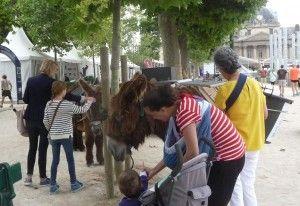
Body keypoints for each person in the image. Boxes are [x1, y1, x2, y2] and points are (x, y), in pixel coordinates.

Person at [143, 85, 245, 206]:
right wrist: (153, 172)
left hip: (228, 159)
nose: (154, 118)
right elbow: (175, 152)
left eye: (153, 115)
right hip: (217, 155)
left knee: (212, 202)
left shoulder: (185, 113)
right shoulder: (180, 106)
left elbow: (192, 152)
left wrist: (172, 176)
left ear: (163, 109)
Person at [213, 47, 268, 206]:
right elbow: (264, 114)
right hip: (255, 142)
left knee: (235, 187)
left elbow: (217, 122)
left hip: (234, 147)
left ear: (222, 68)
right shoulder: (256, 84)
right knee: (248, 184)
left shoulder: (224, 90)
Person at [23, 59, 84, 186]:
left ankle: (28, 177)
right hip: (45, 120)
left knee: (32, 147)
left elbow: (25, 99)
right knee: (43, 148)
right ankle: (42, 178)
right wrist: (82, 98)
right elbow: (66, 96)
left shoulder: (31, 80)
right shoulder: (52, 83)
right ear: (50, 68)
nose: (56, 72)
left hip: (30, 118)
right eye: (56, 69)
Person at [43, 81, 95, 194]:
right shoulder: (67, 104)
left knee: (55, 160)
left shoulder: (48, 104)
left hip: (53, 136)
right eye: (65, 89)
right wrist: (89, 101)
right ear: (62, 91)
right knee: (70, 160)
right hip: (66, 136)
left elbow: (45, 121)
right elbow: (82, 110)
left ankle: (52, 185)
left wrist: (52, 130)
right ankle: (73, 184)